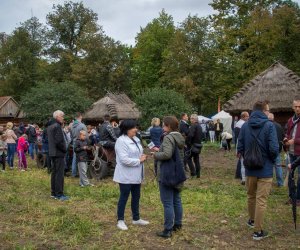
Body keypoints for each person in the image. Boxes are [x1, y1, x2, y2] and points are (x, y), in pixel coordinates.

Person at [237, 101, 278, 240]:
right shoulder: (269, 125)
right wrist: (272, 160)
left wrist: (246, 158)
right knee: (261, 200)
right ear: (264, 111)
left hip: (249, 168)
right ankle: (258, 232)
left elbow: (240, 146)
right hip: (265, 168)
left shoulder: (245, 126)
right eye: (268, 110)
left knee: (251, 196)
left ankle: (252, 220)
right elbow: (273, 148)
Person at [152, 116, 185, 238]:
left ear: (169, 126)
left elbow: (167, 154)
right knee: (176, 199)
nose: (162, 127)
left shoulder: (168, 137)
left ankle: (167, 229)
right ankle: (177, 224)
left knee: (167, 202)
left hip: (167, 173)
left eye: (164, 125)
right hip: (177, 173)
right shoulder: (179, 137)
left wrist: (156, 154)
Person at [113, 119, 149, 231]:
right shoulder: (121, 141)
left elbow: (137, 153)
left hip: (136, 174)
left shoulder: (136, 139)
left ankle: (136, 218)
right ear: (127, 129)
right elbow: (124, 159)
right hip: (125, 175)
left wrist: (142, 156)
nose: (136, 129)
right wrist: (139, 160)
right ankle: (120, 220)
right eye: (133, 127)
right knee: (124, 197)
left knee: (136, 196)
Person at [48, 110, 69, 201]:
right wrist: (64, 149)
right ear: (57, 116)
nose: (63, 118)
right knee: (59, 174)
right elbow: (59, 141)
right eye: (62, 116)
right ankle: (59, 194)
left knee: (54, 173)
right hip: (58, 152)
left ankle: (53, 192)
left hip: (53, 152)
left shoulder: (50, 126)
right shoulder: (57, 126)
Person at [283, 99, 300, 204]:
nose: (298, 108)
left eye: (299, 106)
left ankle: (298, 198)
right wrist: (285, 139)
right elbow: (286, 133)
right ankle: (292, 197)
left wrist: (295, 141)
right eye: (296, 106)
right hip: (291, 152)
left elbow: (294, 138)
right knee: (291, 176)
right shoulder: (290, 120)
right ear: (293, 107)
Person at [268, 113, 284, 187]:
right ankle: (280, 183)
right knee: (278, 166)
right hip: (277, 148)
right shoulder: (279, 126)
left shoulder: (266, 125)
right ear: (273, 118)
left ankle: (268, 182)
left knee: (269, 165)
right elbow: (283, 136)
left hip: (269, 148)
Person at [235, 111, 250, 185]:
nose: (248, 117)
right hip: (243, 144)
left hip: (240, 144)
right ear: (243, 117)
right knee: (243, 162)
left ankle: (241, 176)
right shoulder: (242, 124)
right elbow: (240, 137)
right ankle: (243, 177)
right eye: (247, 116)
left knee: (241, 162)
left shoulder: (238, 123)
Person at [186, 114, 203, 178]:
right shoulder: (199, 126)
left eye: (191, 119)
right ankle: (198, 174)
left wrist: (188, 142)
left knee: (188, 158)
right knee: (196, 159)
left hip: (193, 145)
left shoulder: (193, 126)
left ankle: (193, 172)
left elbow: (190, 135)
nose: (190, 120)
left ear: (194, 119)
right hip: (198, 145)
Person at [70, 113, 87, 177]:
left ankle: (73, 173)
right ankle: (82, 173)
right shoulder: (82, 125)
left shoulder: (71, 126)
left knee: (74, 158)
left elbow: (71, 136)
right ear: (80, 117)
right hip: (81, 143)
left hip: (75, 142)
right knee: (82, 158)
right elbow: (86, 136)